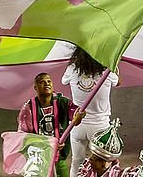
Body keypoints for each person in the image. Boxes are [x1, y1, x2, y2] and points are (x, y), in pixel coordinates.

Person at [63, 48, 119, 177]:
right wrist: (114, 65)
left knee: (76, 162)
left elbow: (64, 81)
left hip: (78, 125)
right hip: (100, 128)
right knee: (103, 166)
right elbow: (118, 82)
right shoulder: (107, 72)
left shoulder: (72, 69)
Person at [17, 73, 85, 177]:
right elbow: (23, 137)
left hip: (59, 159)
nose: (46, 84)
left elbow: (74, 113)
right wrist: (48, 145)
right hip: (39, 160)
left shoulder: (62, 102)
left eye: (49, 81)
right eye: (42, 82)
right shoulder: (28, 108)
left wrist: (79, 114)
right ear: (35, 87)